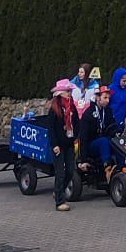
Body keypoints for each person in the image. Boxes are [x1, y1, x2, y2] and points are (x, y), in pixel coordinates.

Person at [43, 80, 81, 212]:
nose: (69, 94)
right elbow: (51, 128)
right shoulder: (54, 108)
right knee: (60, 172)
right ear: (60, 93)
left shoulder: (72, 106)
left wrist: (75, 136)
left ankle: (58, 191)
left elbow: (76, 122)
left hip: (69, 143)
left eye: (70, 91)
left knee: (70, 170)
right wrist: (54, 145)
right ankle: (59, 201)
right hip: (58, 145)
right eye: (67, 91)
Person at [81, 85, 125, 174]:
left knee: (119, 142)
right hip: (91, 145)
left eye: (108, 98)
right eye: (105, 98)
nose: (107, 101)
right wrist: (83, 160)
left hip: (104, 140)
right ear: (97, 97)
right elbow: (83, 137)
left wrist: (117, 131)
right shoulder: (88, 114)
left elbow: (112, 126)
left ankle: (122, 168)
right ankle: (107, 166)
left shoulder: (108, 111)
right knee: (104, 141)